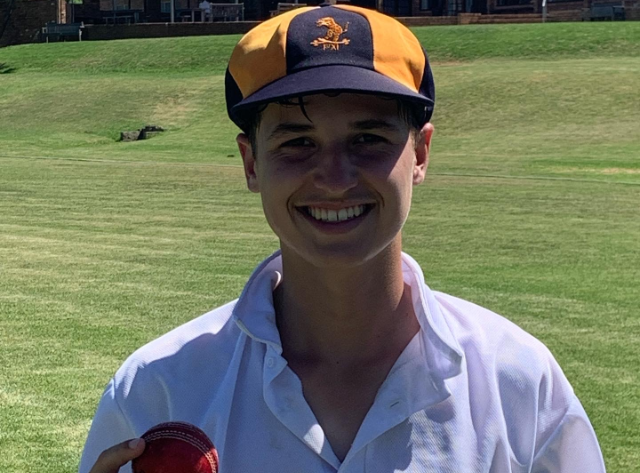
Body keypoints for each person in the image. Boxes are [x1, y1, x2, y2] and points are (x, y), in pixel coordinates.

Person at [80, 5, 607, 473]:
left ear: (420, 154)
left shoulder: (516, 379)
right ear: (250, 162)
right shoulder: (160, 385)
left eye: (368, 139)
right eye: (298, 142)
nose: (334, 176)